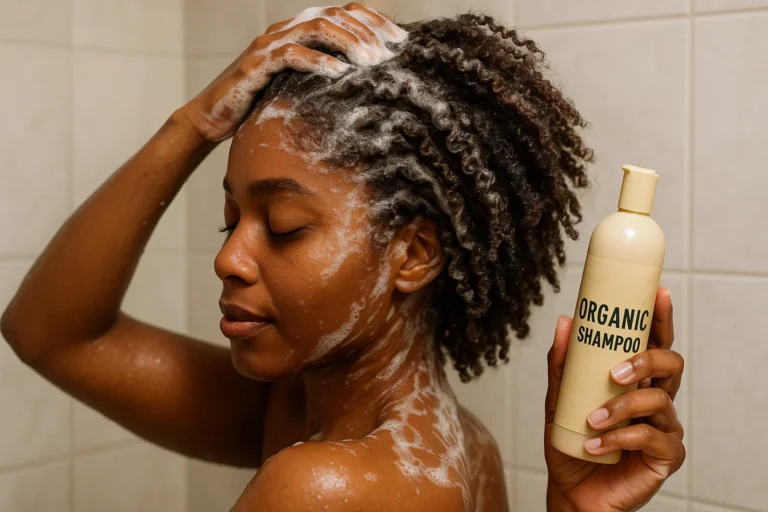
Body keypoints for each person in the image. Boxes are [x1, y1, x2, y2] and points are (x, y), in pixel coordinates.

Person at [0, 3, 685, 510]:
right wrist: (198, 121)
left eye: (286, 226)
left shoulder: (324, 487)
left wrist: (195, 125)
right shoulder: (453, 444)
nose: (230, 259)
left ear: (412, 254)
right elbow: (49, 332)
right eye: (230, 220)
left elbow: (54, 337)